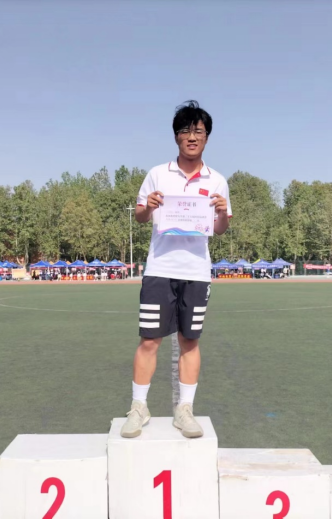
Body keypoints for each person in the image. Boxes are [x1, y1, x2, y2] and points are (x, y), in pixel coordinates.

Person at [120, 100, 231, 439]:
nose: (192, 137)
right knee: (149, 340)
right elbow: (141, 217)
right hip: (160, 268)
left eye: (198, 131)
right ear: (176, 136)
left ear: (207, 137)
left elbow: (221, 229)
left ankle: (185, 410)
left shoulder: (217, 180)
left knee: (190, 341)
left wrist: (222, 212)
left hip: (196, 272)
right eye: (185, 130)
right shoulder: (157, 174)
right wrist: (148, 207)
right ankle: (138, 407)